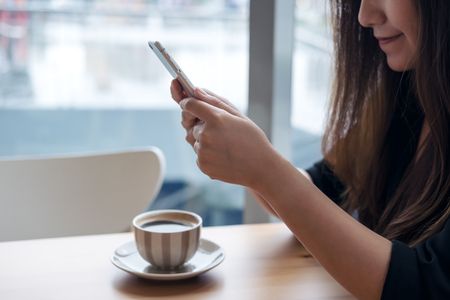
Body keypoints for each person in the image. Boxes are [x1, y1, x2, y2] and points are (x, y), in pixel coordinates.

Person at [170, 0, 450, 299]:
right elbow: (322, 190)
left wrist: (264, 168)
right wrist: (248, 159)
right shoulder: (409, 91)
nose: (364, 17)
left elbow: (427, 285)